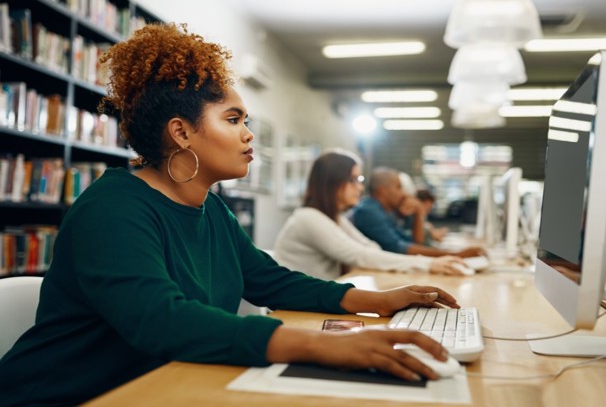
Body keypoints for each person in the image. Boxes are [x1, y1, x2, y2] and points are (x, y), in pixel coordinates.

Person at [0, 23, 460, 406]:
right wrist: (324, 345)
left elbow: (275, 282)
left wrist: (381, 301)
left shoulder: (211, 209)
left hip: (160, 387)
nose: (248, 135)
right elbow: (161, 320)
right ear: (181, 132)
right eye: (234, 119)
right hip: (65, 396)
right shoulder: (112, 209)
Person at [273, 150, 467, 280]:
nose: (360, 187)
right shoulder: (309, 218)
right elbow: (360, 255)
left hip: (315, 300)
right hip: (292, 313)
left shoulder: (333, 217)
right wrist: (428, 264)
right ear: (333, 181)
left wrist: (428, 262)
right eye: (354, 180)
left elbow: (370, 247)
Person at [351, 167, 485, 258]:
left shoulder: (385, 211)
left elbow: (414, 242)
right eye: (398, 187)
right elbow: (401, 249)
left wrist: (419, 212)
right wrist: (456, 255)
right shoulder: (368, 211)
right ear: (382, 191)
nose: (403, 193)